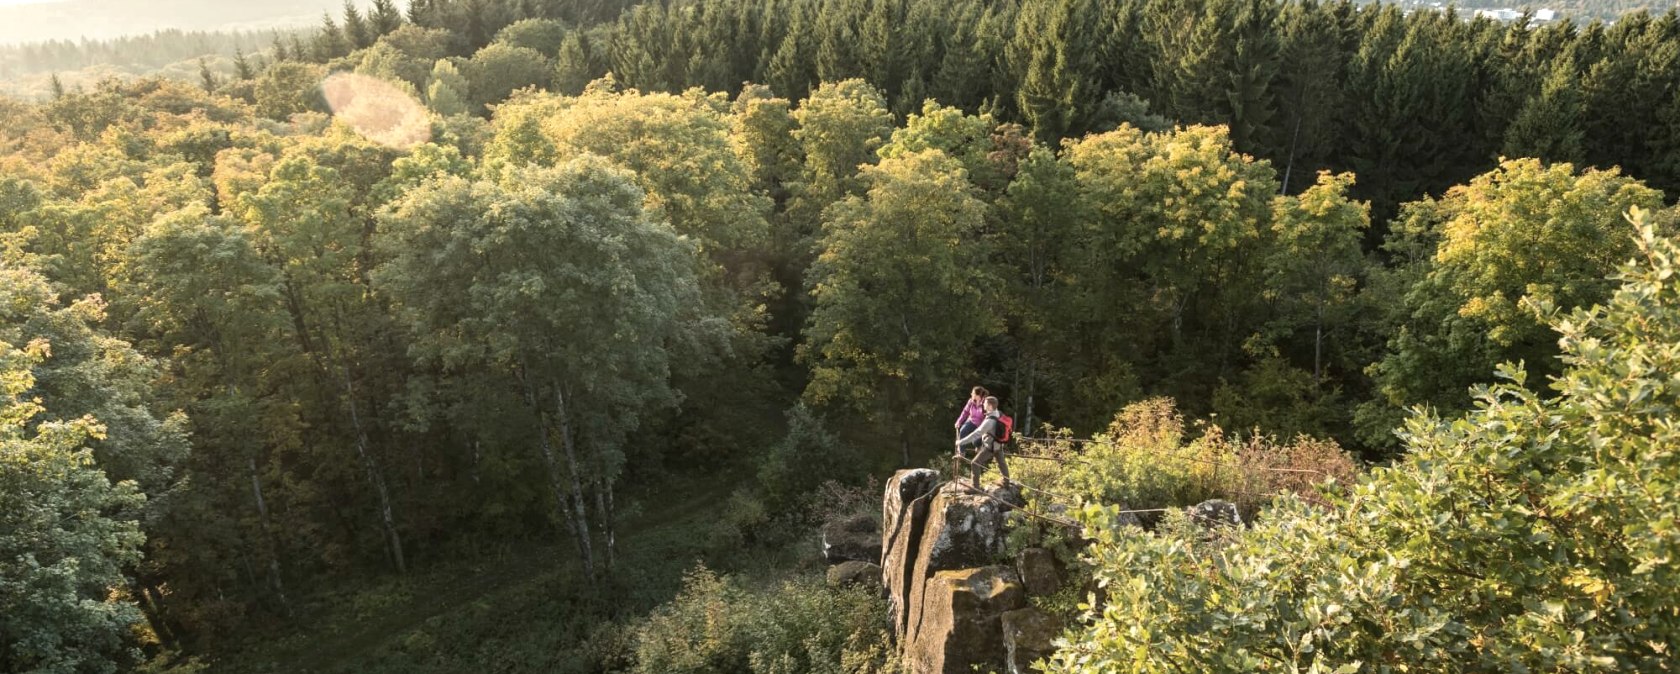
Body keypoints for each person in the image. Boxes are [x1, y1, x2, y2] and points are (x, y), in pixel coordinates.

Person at [954, 396, 1010, 489]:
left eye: (985, 403)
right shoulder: (998, 413)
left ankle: (975, 487)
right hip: (998, 444)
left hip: (990, 446)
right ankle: (1006, 482)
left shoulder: (990, 421)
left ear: (990, 406)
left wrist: (960, 442)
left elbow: (976, 434)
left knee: (975, 463)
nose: (983, 404)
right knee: (1002, 463)